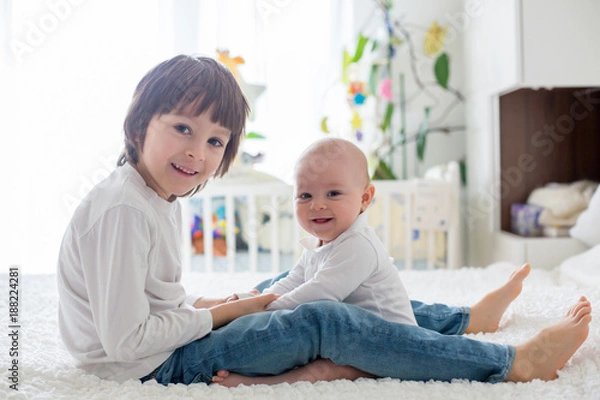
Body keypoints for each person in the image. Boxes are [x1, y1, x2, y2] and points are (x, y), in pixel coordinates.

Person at [57, 55, 592, 388]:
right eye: (182, 128)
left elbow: (151, 299)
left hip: (157, 347)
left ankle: (461, 318)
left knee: (293, 287)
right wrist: (221, 316)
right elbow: (128, 343)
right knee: (326, 315)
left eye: (215, 140)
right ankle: (511, 363)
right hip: (151, 367)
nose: (197, 152)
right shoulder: (124, 211)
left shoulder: (152, 195)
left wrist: (208, 305)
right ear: (140, 119)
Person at [258, 138, 416, 326]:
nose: (317, 205)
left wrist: (263, 310)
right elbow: (293, 281)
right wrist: (259, 300)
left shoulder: (358, 245)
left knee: (314, 314)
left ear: (365, 198)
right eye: (305, 196)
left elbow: (318, 293)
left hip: (390, 340)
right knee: (276, 282)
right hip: (355, 334)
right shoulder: (316, 244)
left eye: (333, 194)